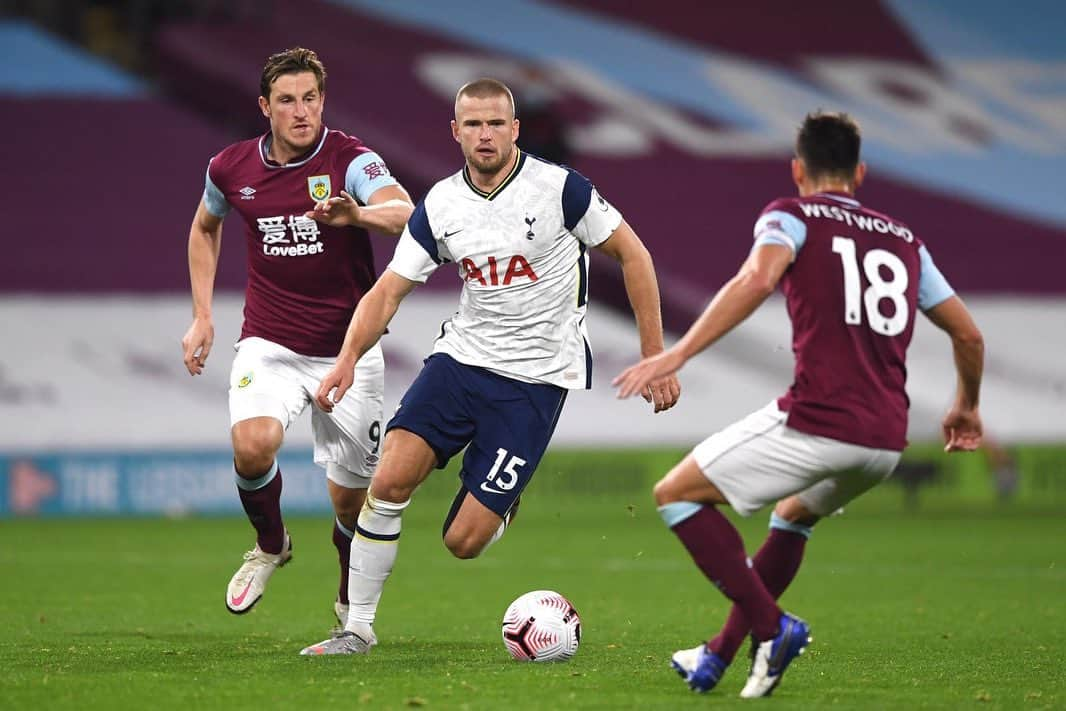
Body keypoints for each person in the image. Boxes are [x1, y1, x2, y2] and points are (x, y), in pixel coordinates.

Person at [298, 78, 680, 655]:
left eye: (496, 123)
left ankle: (503, 497)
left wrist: (657, 355)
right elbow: (386, 293)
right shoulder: (441, 205)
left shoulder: (560, 190)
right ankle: (358, 628)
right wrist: (347, 361)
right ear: (455, 132)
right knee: (390, 479)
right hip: (460, 362)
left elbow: (634, 254)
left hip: (534, 381)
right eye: (472, 124)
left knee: (463, 542)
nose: (485, 134)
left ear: (515, 129)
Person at [613, 111, 984, 698]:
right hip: (886, 441)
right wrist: (966, 407)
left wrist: (677, 354)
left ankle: (773, 626)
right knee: (792, 515)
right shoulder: (904, 240)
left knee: (676, 496)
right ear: (859, 172)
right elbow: (968, 335)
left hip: (820, 419)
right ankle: (717, 656)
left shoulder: (791, 214)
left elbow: (758, 280)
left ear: (797, 169)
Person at [180, 47, 414, 624]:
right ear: (265, 106)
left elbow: (405, 211)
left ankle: (345, 602)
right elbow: (205, 227)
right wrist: (203, 315)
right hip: (271, 341)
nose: (301, 110)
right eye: (287, 100)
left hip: (349, 350)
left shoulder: (351, 160)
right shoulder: (230, 168)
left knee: (349, 503)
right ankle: (270, 545)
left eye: (310, 98)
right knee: (252, 444)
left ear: (322, 101)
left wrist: (354, 216)